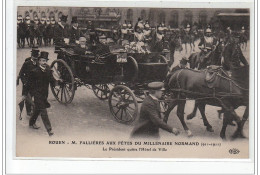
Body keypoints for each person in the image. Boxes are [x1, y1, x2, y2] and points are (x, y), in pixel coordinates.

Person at [23, 51, 57, 136]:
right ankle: (49, 130)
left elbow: (51, 79)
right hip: (37, 94)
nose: (44, 63)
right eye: (42, 61)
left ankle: (31, 123)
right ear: (39, 61)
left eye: (45, 61)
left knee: (37, 109)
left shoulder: (49, 69)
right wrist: (25, 94)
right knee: (43, 111)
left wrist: (56, 85)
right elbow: (28, 83)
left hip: (45, 94)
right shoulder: (34, 71)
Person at [17, 48, 40, 116]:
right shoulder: (26, 63)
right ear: (31, 56)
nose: (36, 59)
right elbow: (21, 74)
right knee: (28, 99)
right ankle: (28, 111)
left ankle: (35, 109)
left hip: (36, 84)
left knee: (36, 97)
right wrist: (24, 82)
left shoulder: (38, 63)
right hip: (28, 84)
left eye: (36, 57)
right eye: (34, 57)